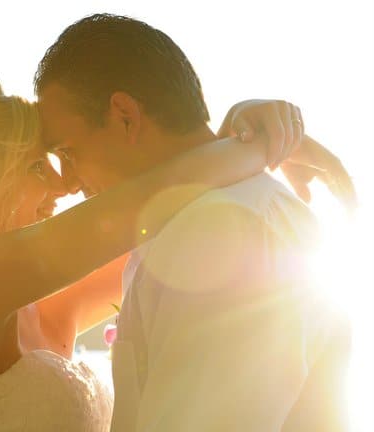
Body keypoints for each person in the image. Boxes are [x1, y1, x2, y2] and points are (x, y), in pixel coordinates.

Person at [0, 72, 348, 431]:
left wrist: (236, 133)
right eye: (32, 165)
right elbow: (144, 203)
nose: (62, 183)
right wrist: (257, 142)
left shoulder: (48, 306)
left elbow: (175, 219)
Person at [34, 13, 354, 432]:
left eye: (70, 151)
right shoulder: (202, 220)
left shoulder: (216, 234)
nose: (70, 182)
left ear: (125, 116)